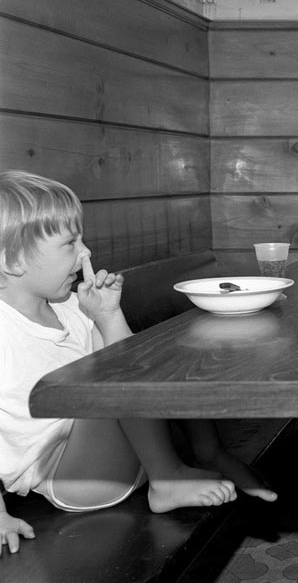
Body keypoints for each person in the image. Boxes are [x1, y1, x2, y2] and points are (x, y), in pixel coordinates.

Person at [0, 171, 277, 556]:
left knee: (158, 355)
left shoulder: (68, 308)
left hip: (118, 454)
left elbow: (130, 363)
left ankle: (208, 453)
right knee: (119, 373)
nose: (86, 253)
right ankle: (167, 477)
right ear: (13, 260)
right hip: (73, 476)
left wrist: (108, 315)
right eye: (69, 243)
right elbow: (123, 373)